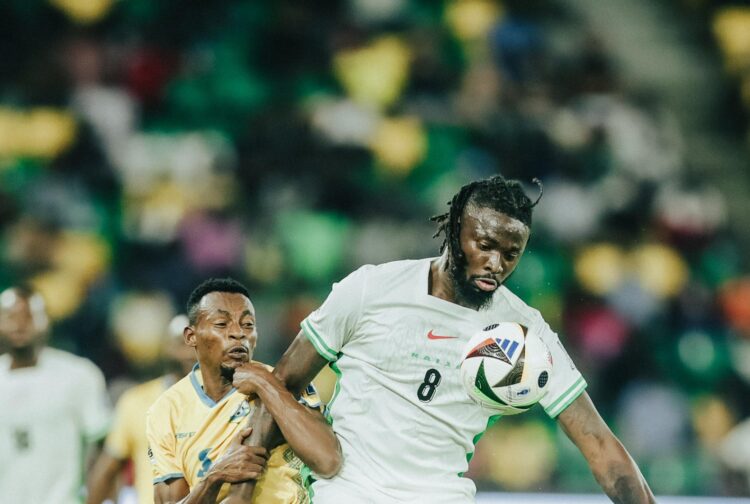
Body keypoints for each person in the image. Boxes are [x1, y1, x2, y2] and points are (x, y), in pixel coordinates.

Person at [231, 176, 656, 503]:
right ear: (454, 229)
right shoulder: (371, 290)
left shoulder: (524, 335)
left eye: (511, 254)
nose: (496, 264)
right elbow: (280, 387)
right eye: (485, 245)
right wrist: (242, 492)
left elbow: (599, 443)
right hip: (347, 493)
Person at [146, 278, 341, 504]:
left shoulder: (281, 381)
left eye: (248, 324)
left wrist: (264, 384)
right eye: (222, 324)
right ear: (191, 337)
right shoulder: (166, 410)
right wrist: (215, 476)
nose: (238, 333)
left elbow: (328, 461)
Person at [0, 285, 111, 504]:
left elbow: (101, 446)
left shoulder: (79, 375)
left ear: (46, 320)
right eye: (10, 316)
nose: (19, 324)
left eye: (29, 316)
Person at [87, 314, 197, 504]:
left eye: (197, 344)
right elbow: (107, 470)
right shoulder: (136, 401)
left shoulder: (223, 401)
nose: (190, 353)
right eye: (182, 343)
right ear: (166, 347)